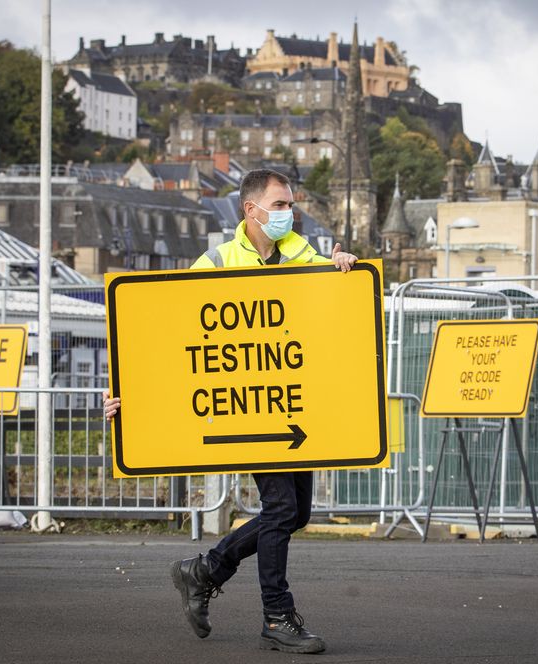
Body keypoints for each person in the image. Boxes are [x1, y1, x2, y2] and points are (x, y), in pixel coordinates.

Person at [103, 169, 357, 654]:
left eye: (291, 204)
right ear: (251, 210)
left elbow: (329, 293)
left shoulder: (302, 254)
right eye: (281, 204)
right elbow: (171, 336)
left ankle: (203, 571)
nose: (290, 212)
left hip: (292, 407)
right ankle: (277, 617)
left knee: (295, 512)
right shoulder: (217, 262)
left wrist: (341, 264)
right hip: (251, 413)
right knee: (282, 508)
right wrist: (124, 393)